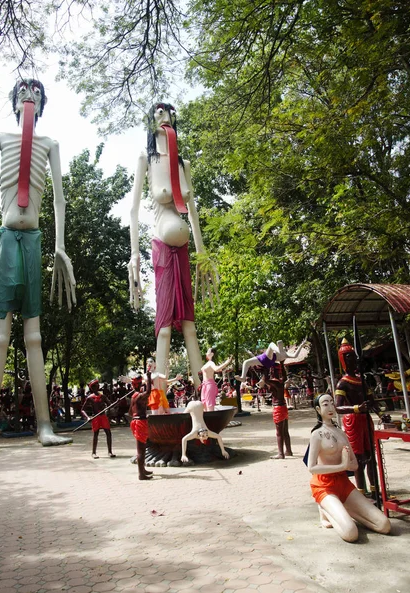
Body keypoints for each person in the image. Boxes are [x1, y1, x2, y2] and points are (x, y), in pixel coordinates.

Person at [0, 79, 76, 453]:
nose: (30, 95)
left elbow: (59, 200)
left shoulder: (50, 146)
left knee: (35, 336)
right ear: (15, 101)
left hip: (36, 242)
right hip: (7, 239)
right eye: (24, 90)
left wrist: (60, 248)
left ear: (42, 104)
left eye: (37, 92)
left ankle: (44, 425)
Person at [128, 103, 216, 398]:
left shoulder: (183, 164)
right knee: (164, 327)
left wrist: (202, 255)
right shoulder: (146, 159)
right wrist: (134, 257)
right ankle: (160, 399)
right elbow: (133, 210)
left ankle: (204, 398)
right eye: (157, 112)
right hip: (161, 245)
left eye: (167, 112)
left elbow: (192, 212)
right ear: (151, 122)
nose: (163, 115)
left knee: (190, 326)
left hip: (184, 248)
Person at [308, 394, 391, 542]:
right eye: (325, 404)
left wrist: (347, 465)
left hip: (344, 483)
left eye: (332, 403)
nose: (330, 407)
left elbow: (354, 465)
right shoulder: (316, 434)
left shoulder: (341, 432)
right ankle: (325, 508)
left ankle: (343, 509)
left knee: (384, 525)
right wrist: (342, 466)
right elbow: (312, 468)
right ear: (318, 409)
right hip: (324, 486)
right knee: (351, 533)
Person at [334, 339, 379, 493]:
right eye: (349, 357)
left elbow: (372, 401)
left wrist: (381, 414)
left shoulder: (362, 380)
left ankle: (375, 488)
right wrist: (356, 408)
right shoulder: (342, 383)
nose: (353, 359)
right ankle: (361, 490)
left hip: (366, 419)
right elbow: (338, 407)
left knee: (371, 455)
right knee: (358, 457)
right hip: (353, 420)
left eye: (353, 356)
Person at [235, 339, 307, 382]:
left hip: (266, 359)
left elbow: (295, 355)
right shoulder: (285, 354)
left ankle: (243, 377)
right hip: (265, 362)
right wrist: (301, 345)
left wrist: (301, 345)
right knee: (246, 362)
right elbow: (295, 355)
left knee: (271, 344)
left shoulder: (284, 354)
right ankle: (243, 377)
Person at [259, 370, 293, 459]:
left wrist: (264, 367)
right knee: (285, 431)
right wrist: (282, 363)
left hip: (278, 408)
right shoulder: (281, 380)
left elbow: (266, 380)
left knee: (279, 433)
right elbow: (284, 376)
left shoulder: (275, 382)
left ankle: (281, 454)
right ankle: (288, 451)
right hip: (283, 406)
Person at [81, 379, 115, 459]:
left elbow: (110, 404)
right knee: (96, 434)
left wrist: (114, 404)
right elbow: (83, 409)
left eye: (98, 385)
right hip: (95, 417)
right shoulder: (90, 398)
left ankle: (110, 452)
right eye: (96, 385)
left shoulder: (103, 396)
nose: (98, 386)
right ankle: (93, 452)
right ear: (92, 388)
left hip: (103, 416)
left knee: (108, 433)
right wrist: (88, 417)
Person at [130, 370, 154, 480]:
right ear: (140, 384)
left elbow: (130, 412)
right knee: (141, 451)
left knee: (142, 449)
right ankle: (141, 474)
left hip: (136, 421)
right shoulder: (139, 396)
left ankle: (142, 470)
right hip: (140, 423)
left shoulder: (133, 396)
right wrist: (149, 377)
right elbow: (149, 391)